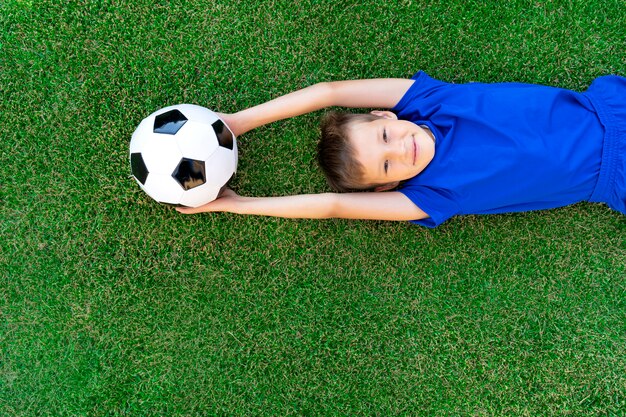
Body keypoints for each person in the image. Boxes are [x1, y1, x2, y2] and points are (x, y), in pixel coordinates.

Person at [176, 71, 626, 228]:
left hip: (612, 110)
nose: (402, 150)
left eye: (386, 138)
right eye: (387, 164)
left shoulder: (428, 102)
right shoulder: (431, 194)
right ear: (388, 185)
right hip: (615, 175)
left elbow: (329, 91)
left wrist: (236, 123)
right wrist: (238, 206)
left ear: (386, 116)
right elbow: (332, 205)